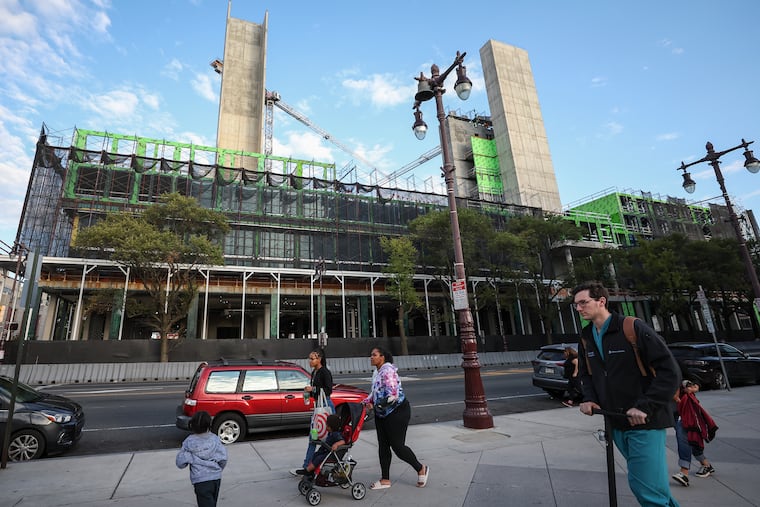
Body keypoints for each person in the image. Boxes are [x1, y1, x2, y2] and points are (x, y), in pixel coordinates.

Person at [573, 281, 681, 507]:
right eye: (576, 305)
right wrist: (589, 399)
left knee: (646, 488)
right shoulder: (586, 337)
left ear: (601, 301)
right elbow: (587, 374)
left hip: (644, 422)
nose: (579, 308)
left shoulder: (632, 328)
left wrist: (645, 406)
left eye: (583, 302)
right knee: (654, 488)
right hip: (616, 421)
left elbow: (670, 371)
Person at [362, 346, 429, 490]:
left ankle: (420, 468)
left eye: (374, 355)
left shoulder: (388, 371)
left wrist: (376, 404)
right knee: (383, 446)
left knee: (398, 447)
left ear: (382, 357)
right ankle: (385, 479)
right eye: (371, 355)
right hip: (382, 414)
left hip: (397, 412)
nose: (371, 357)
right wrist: (366, 402)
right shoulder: (377, 372)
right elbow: (375, 393)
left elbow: (392, 395)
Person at [291, 347, 334, 476]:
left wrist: (313, 389)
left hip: (325, 407)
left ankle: (311, 467)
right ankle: (308, 467)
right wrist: (309, 392)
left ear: (319, 359)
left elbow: (328, 390)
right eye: (309, 358)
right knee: (314, 438)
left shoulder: (324, 372)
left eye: (312, 358)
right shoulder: (315, 372)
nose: (309, 361)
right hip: (318, 407)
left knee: (323, 438)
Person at [176, 410, 228, 507]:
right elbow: (223, 459)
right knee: (212, 502)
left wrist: (190, 458)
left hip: (200, 480)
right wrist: (218, 469)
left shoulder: (189, 442)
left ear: (192, 425)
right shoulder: (215, 439)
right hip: (216, 477)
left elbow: (180, 462)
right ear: (209, 425)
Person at [672, 380, 718, 487]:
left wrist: (689, 385)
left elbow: (691, 377)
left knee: (683, 438)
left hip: (684, 407)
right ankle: (706, 465)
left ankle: (684, 473)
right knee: (691, 439)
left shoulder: (672, 363)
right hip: (674, 408)